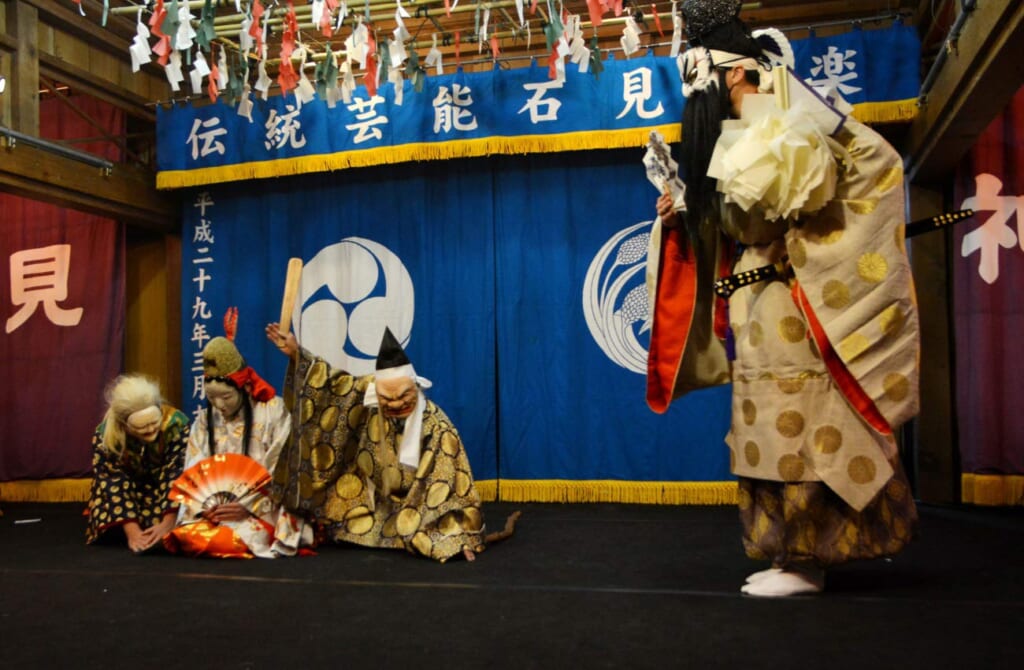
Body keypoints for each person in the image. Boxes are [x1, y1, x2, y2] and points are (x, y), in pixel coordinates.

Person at [646, 0, 919, 597]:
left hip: (797, 304)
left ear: (735, 72)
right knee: (766, 426)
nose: (701, 100)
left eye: (706, 83)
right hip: (761, 308)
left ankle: (806, 557)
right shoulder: (746, 133)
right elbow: (741, 220)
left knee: (802, 426)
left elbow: (873, 167)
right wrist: (686, 211)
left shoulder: (790, 123)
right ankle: (786, 554)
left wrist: (808, 244)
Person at [265, 322, 488, 562]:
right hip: (378, 500)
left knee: (437, 533)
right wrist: (297, 353)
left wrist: (458, 534)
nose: (395, 404)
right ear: (375, 392)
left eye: (404, 395)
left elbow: (448, 482)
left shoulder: (436, 425)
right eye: (386, 398)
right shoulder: (366, 393)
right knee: (347, 525)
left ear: (417, 386)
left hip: (421, 501)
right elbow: (330, 387)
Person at [164, 310, 312, 558]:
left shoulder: (273, 410)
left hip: (262, 511)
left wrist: (248, 505)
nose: (219, 405)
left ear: (244, 386)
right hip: (216, 513)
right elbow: (196, 469)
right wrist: (205, 507)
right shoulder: (204, 420)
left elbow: (283, 466)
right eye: (211, 398)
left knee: (224, 542)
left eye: (226, 397)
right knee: (187, 537)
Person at [86, 374, 189, 553]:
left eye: (154, 423)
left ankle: (163, 523)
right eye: (141, 427)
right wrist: (132, 531)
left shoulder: (176, 424)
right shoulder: (105, 436)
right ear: (124, 424)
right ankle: (132, 526)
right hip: (126, 495)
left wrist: (169, 521)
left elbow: (176, 471)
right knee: (105, 503)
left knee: (186, 514)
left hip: (164, 492)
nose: (150, 430)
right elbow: (112, 482)